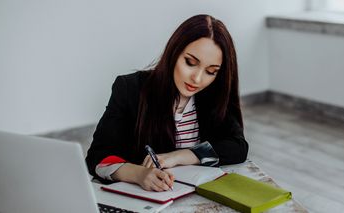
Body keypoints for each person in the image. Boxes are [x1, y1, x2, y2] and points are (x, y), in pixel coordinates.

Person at [86, 14, 249, 192]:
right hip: (146, 198)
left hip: (195, 197)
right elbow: (97, 157)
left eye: (211, 71)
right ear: (174, 52)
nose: (197, 78)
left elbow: (238, 146)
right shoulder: (130, 89)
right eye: (190, 62)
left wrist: (179, 156)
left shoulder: (214, 94)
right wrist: (138, 174)